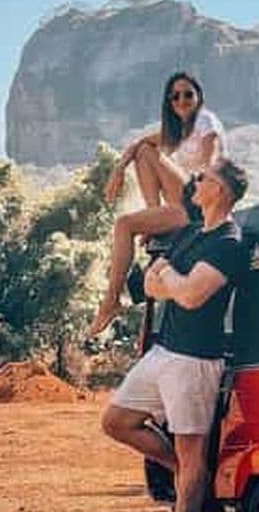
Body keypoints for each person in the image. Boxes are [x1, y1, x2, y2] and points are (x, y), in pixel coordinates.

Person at [100, 158, 248, 512]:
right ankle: (184, 473)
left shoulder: (229, 243)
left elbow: (191, 296)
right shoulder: (190, 233)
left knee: (192, 449)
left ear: (220, 191)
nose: (195, 181)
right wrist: (170, 279)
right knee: (116, 421)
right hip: (164, 351)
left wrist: (169, 278)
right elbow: (150, 284)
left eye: (204, 178)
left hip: (195, 360)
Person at [88, 71, 227, 338]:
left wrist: (203, 194)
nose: (182, 100)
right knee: (144, 152)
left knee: (124, 224)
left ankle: (111, 301)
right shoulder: (177, 131)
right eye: (175, 97)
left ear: (198, 97)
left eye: (188, 94)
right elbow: (138, 145)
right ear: (169, 102)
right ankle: (154, 217)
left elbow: (210, 163)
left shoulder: (205, 120)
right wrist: (119, 169)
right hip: (187, 198)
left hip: (203, 199)